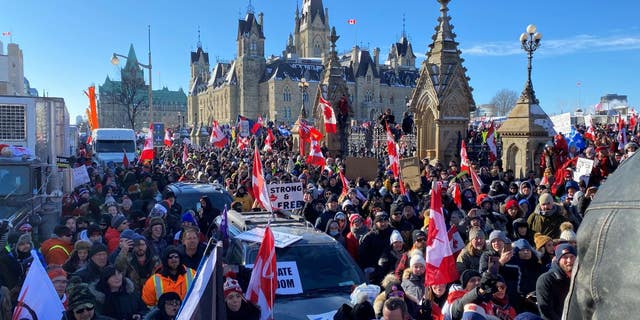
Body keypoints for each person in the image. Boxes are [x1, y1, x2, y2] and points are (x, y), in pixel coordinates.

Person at [536, 243, 575, 320]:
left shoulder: (580, 277)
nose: (569, 260)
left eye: (572, 257)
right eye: (565, 257)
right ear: (558, 259)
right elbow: (546, 312)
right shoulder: (546, 280)